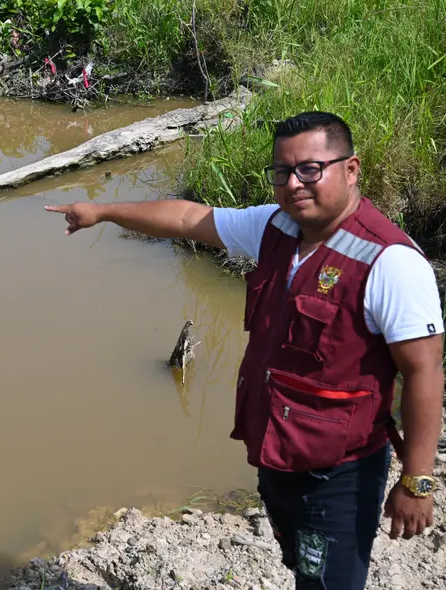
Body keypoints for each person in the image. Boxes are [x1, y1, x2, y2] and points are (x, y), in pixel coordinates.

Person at [45, 111, 444, 589]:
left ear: (351, 169)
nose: (295, 183)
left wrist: (417, 481)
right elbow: (189, 218)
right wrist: (102, 211)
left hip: (339, 472)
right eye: (283, 171)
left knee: (331, 582)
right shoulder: (276, 228)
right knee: (303, 567)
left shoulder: (391, 262)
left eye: (311, 169)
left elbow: (423, 372)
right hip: (276, 450)